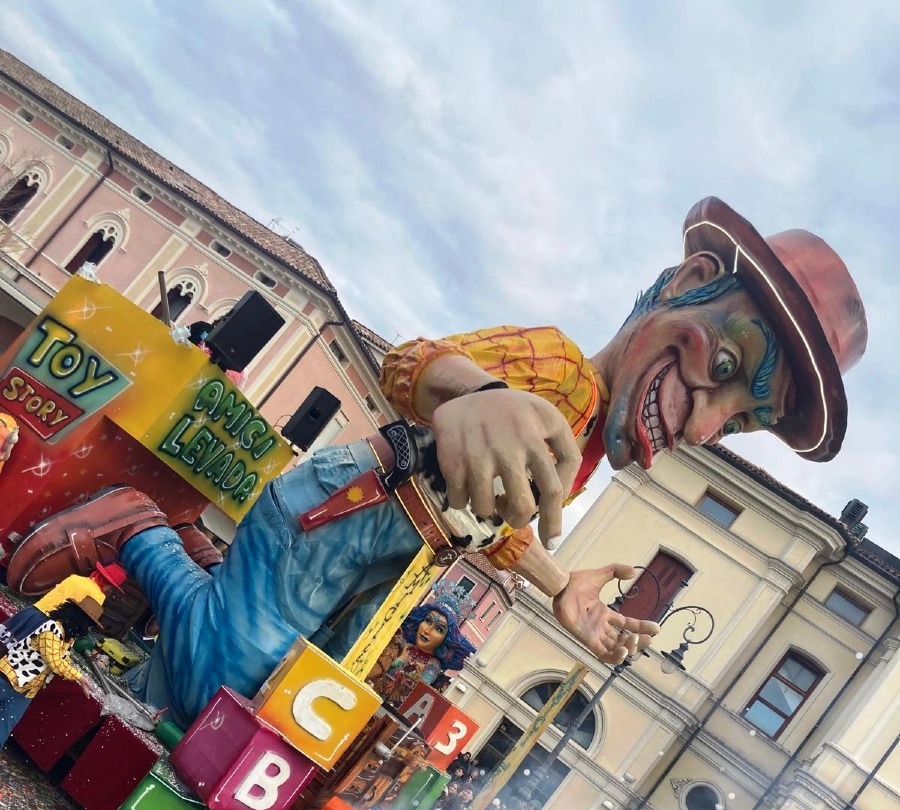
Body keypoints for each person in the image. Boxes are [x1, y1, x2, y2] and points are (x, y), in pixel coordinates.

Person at [7, 199, 866, 731]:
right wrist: (478, 391)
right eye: (725, 367)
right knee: (226, 673)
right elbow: (410, 362)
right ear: (690, 281)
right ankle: (143, 531)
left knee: (261, 704)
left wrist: (558, 584)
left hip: (385, 565)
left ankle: (112, 706)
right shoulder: (560, 371)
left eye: (742, 420)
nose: (708, 423)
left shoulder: (580, 453)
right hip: (340, 514)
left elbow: (497, 528)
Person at [0, 599, 98, 747]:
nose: (88, 630)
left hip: (27, 690)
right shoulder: (51, 629)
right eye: (89, 625)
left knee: (5, 726)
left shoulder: (68, 639)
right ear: (79, 620)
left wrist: (79, 677)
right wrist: (79, 677)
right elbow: (54, 661)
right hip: (9, 676)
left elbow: (64, 660)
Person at [366, 578, 476, 704]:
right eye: (427, 621)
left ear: (446, 638)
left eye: (439, 629)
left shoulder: (433, 664)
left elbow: (417, 691)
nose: (427, 630)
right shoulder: (402, 645)